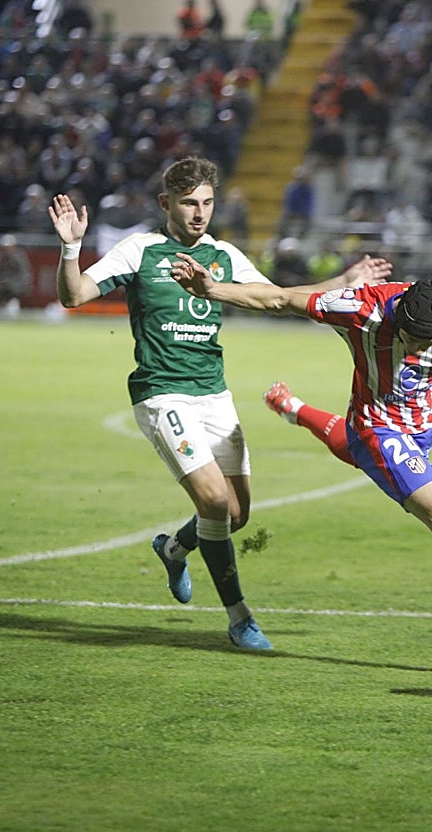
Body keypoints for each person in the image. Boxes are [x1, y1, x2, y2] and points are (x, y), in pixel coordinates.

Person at [169, 268, 432, 679]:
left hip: (419, 426)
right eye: (412, 337)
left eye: (429, 340)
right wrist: (213, 289)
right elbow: (279, 298)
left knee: (359, 453)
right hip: (379, 428)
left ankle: (295, 409)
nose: (419, 346)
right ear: (399, 317)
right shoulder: (362, 308)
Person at [48, 156, 391, 651]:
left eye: (207, 202)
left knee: (236, 515)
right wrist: (71, 247)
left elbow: (279, 298)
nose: (199, 213)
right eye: (188, 203)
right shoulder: (140, 250)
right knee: (212, 501)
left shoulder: (224, 256)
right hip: (162, 392)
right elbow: (75, 295)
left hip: (214, 395)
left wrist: (342, 282)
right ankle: (239, 617)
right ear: (167, 203)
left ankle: (173, 547)